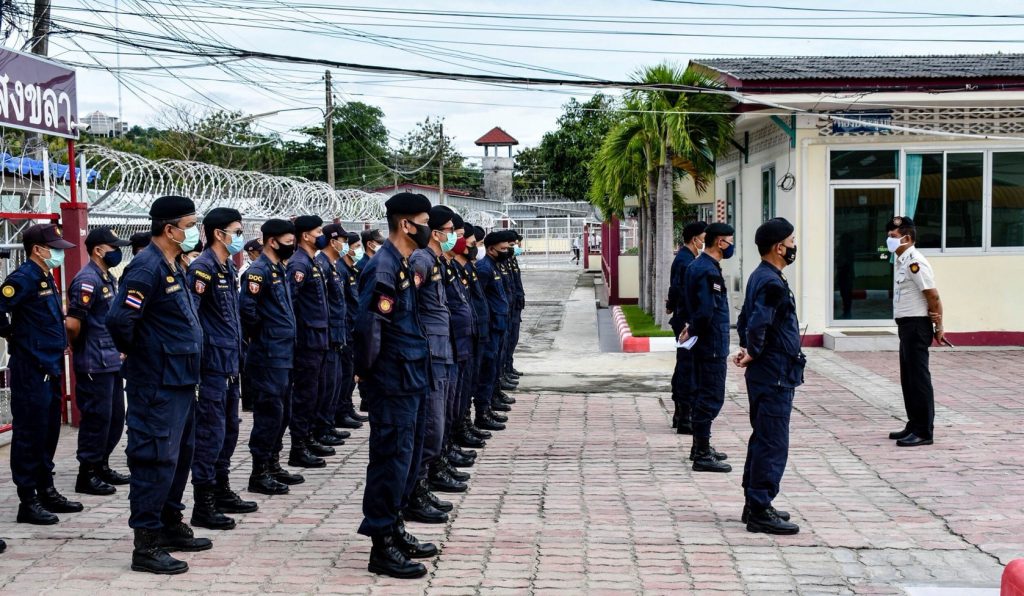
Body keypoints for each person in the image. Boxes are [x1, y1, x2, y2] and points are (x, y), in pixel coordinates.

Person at [107, 196, 210, 575]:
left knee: (180, 455)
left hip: (181, 380)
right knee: (154, 458)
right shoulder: (145, 268)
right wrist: (147, 358)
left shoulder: (172, 264)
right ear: (170, 229)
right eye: (190, 224)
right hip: (157, 384)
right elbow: (120, 322)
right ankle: (146, 544)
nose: (194, 231)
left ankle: (169, 522)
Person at [355, 192, 437, 579]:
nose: (428, 228)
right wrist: (370, 379)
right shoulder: (383, 268)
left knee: (407, 457)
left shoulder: (400, 264)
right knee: (390, 461)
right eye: (423, 221)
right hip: (392, 382)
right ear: (406, 224)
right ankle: (381, 544)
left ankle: (395, 526)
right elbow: (370, 331)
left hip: (412, 376)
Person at [1, 223, 82, 526]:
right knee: (28, 434)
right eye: (55, 247)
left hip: (49, 365)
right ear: (38, 249)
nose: (59, 252)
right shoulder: (22, 278)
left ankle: (46, 489)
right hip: (30, 368)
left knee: (48, 431)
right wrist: (13, 335)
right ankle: (28, 500)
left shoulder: (45, 275)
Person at [187, 208, 257, 532]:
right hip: (211, 365)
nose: (240, 237)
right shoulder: (202, 269)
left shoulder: (226, 265)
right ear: (219, 233)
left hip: (229, 362)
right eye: (237, 231)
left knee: (229, 429)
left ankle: (221, 487)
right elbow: (193, 319)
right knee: (210, 433)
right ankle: (204, 502)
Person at [734, 217, 804, 535]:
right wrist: (754, 350)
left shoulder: (760, 276)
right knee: (773, 441)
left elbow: (745, 317)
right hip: (774, 372)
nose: (793, 247)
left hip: (768, 371)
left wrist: (748, 347)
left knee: (763, 437)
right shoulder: (771, 281)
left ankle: (755, 503)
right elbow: (759, 321)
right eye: (791, 242)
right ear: (779, 247)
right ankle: (760, 507)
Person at [407, 205, 465, 524]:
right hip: (430, 352)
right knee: (431, 424)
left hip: (442, 350)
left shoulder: (435, 261)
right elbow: (409, 307)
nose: (452, 236)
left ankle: (422, 486)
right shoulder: (421, 261)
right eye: (447, 229)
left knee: (438, 422)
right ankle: (415, 492)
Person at [240, 220, 304, 496]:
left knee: (283, 412)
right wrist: (264, 336)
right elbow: (247, 311)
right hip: (268, 355)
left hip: (284, 353)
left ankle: (273, 463)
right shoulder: (257, 272)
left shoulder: (278, 268)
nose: (293, 246)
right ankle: (260, 471)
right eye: (288, 241)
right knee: (269, 414)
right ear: (272, 241)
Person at [68, 227, 132, 496]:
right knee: (97, 419)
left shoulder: (106, 276)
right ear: (98, 250)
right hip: (94, 362)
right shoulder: (86, 280)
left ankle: (102, 465)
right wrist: (82, 348)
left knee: (115, 418)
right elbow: (73, 324)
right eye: (113, 247)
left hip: (110, 360)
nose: (117, 251)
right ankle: (87, 473)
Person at [886, 216, 943, 447]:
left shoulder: (915, 262)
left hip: (917, 326)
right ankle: (913, 423)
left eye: (893, 237)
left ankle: (924, 431)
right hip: (906, 326)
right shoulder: (902, 261)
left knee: (918, 379)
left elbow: (933, 295)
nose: (889, 240)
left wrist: (939, 326)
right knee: (908, 378)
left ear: (907, 238)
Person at [683, 222, 735, 474]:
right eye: (729, 241)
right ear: (718, 242)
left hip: (706, 340)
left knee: (705, 392)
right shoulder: (708, 271)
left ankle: (700, 447)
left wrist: (690, 327)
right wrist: (693, 328)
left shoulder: (699, 265)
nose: (731, 245)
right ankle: (702, 453)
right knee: (711, 395)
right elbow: (706, 310)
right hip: (711, 342)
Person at [286, 215, 335, 467]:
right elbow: (291, 304)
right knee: (305, 394)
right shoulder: (298, 265)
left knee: (317, 391)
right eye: (317, 231)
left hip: (319, 337)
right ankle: (298, 446)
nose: (321, 235)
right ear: (305, 235)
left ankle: (308, 436)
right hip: (307, 340)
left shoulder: (311, 262)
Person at [442, 216, 481, 472]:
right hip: (445, 346)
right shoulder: (430, 265)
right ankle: (440, 457)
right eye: (453, 233)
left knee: (457, 397)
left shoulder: (453, 267)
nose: (459, 239)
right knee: (442, 408)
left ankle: (452, 442)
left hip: (462, 339)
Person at [313, 223, 353, 448]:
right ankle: (320, 428)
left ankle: (326, 425)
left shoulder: (333, 265)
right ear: (333, 240)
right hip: (326, 336)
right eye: (344, 241)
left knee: (335, 383)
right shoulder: (322, 265)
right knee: (326, 385)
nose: (345, 246)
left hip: (338, 334)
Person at [666, 221, 707, 434]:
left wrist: (671, 306)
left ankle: (680, 413)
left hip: (683, 317)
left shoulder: (686, 258)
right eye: (703, 237)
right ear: (694, 240)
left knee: (683, 365)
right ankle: (684, 416)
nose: (705, 241)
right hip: (685, 321)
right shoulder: (686, 261)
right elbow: (679, 289)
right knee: (687, 367)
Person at [474, 231, 514, 431]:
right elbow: (479, 300)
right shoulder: (484, 268)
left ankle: (488, 406)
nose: (506, 251)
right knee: (487, 371)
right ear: (490, 249)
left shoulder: (495, 265)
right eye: (503, 248)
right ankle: (481, 412)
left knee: (494, 368)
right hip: (489, 328)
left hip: (500, 326)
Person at [334, 231, 368, 428]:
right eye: (354, 246)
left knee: (350, 373)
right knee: (345, 374)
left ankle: (346, 408)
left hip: (353, 328)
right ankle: (340, 411)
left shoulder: (351, 270)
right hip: (345, 329)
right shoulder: (340, 269)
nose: (356, 250)